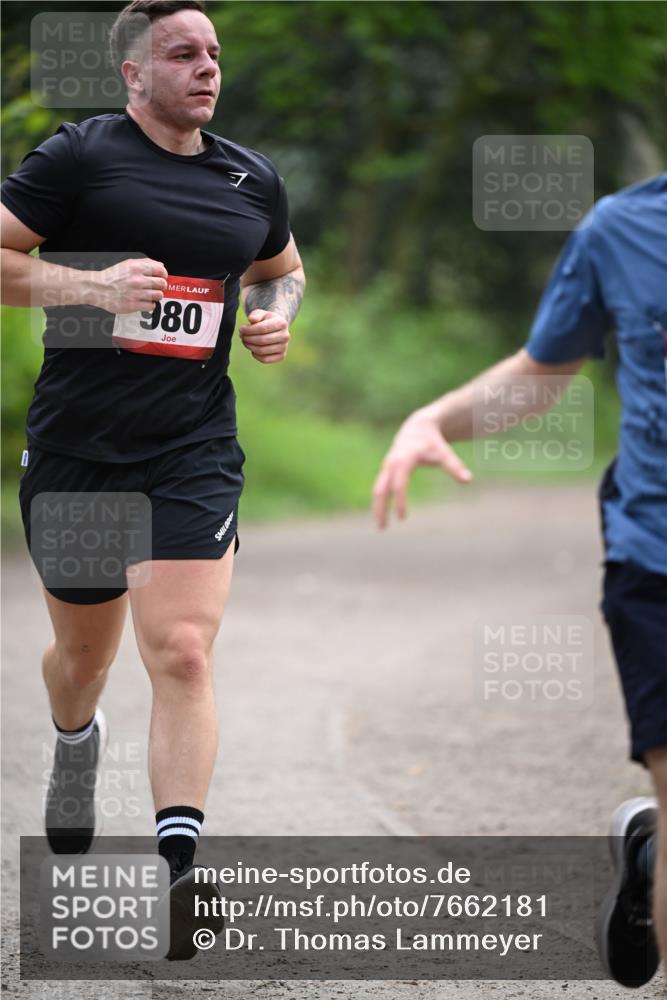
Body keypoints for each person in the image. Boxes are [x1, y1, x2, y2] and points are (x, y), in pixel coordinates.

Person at [1, 0, 305, 961]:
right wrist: (91, 288)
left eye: (213, 52)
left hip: (191, 446)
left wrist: (271, 313)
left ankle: (180, 871)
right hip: (79, 447)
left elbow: (280, 269)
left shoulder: (249, 175)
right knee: (82, 658)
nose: (206, 68)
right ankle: (74, 737)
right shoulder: (79, 159)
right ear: (133, 73)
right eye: (182, 53)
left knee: (181, 652)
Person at [372, 173, 667, 988]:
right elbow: (545, 373)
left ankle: (647, 859)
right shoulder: (622, 229)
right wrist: (430, 419)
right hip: (657, 554)